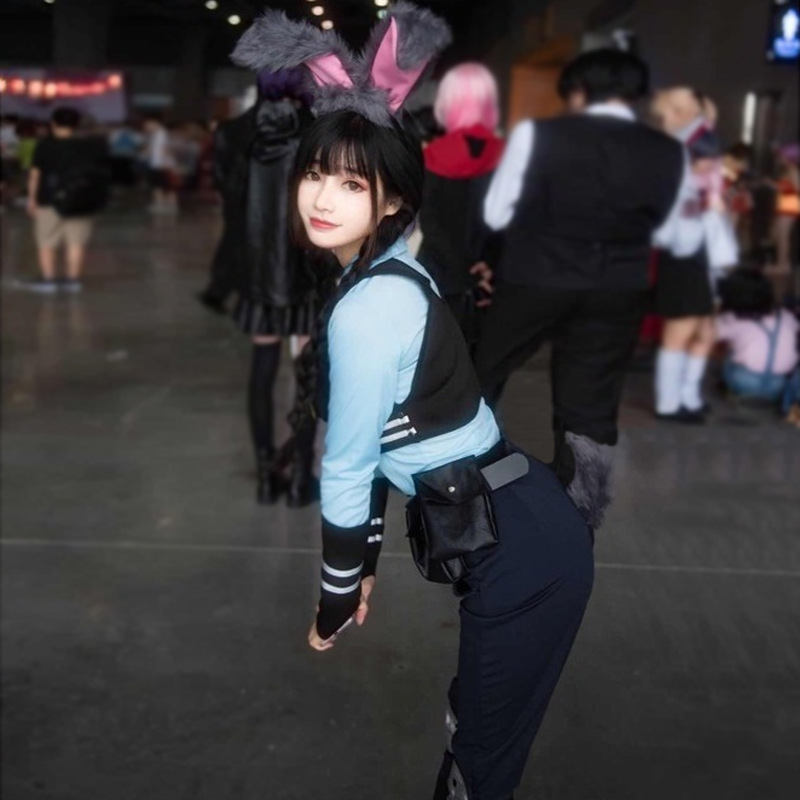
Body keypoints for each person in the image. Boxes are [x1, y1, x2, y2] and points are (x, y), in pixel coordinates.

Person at [232, 5, 594, 799]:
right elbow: (369, 454)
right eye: (315, 173)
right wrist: (362, 566)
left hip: (520, 551)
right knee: (476, 738)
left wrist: (335, 595)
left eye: (351, 183)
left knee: (478, 765)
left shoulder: (370, 302)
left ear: (393, 199)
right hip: (510, 525)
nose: (323, 197)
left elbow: (347, 464)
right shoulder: (385, 271)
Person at [473, 49, 702, 525]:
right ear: (636, 95)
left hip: (536, 274)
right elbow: (677, 235)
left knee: (481, 373)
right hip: (616, 284)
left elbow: (497, 212)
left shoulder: (539, 134)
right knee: (590, 408)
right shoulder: (668, 150)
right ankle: (576, 520)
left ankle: (468, 483)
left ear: (578, 92)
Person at [229, 69, 319, 507]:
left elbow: (231, 205)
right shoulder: (314, 134)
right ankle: (301, 475)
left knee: (261, 373)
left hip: (259, 274)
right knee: (307, 376)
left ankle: (267, 475)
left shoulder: (241, 135)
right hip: (305, 273)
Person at [650, 87, 737, 423]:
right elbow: (664, 230)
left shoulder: (698, 157)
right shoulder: (674, 164)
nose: (712, 164)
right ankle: (669, 403)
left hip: (706, 261)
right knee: (680, 333)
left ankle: (688, 396)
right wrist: (701, 209)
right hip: (683, 260)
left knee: (705, 332)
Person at [417, 63, 503, 348]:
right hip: (491, 276)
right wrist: (487, 267)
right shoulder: (507, 154)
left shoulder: (434, 155)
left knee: (438, 355)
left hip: (441, 272)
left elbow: (430, 221)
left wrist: (464, 271)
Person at [24, 107, 109, 293]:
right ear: (77, 124)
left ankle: (48, 281)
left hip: (48, 199)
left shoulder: (45, 145)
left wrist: (31, 199)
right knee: (76, 243)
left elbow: (35, 175)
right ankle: (72, 281)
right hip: (80, 200)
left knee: (46, 242)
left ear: (53, 123)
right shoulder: (91, 145)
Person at [716, 267, 799, 407]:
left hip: (743, 381)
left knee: (729, 349)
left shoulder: (732, 319)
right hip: (780, 384)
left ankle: (732, 390)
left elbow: (707, 337)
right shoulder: (785, 315)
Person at [142, 112, 177, 214]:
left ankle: (168, 204)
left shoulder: (163, 134)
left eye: (147, 124)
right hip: (156, 164)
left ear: (155, 122)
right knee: (158, 185)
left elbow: (167, 149)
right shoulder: (154, 135)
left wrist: (166, 163)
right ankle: (161, 203)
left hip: (162, 164)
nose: (146, 127)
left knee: (165, 186)